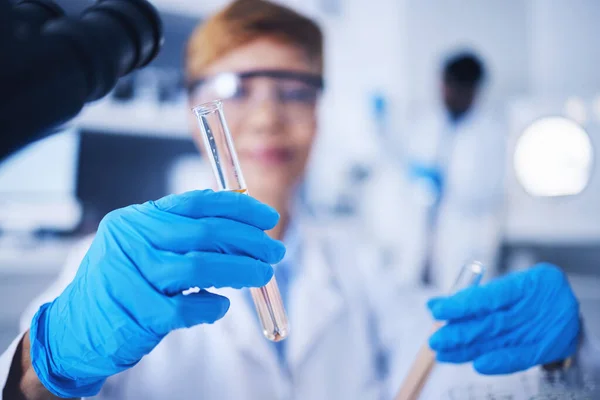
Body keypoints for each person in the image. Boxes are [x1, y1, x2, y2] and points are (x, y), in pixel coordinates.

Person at [0, 1, 592, 399]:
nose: (266, 117)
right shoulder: (114, 268)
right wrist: (49, 360)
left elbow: (446, 373)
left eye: (294, 91)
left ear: (319, 112)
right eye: (235, 89)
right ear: (191, 110)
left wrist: (559, 365)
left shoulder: (365, 269)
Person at [404, 51, 506, 288]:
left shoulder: (491, 135)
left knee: (462, 309)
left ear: (472, 90)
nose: (446, 93)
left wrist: (447, 184)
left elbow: (487, 191)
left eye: (453, 87)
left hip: (466, 242)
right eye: (444, 85)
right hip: (423, 243)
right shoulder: (428, 124)